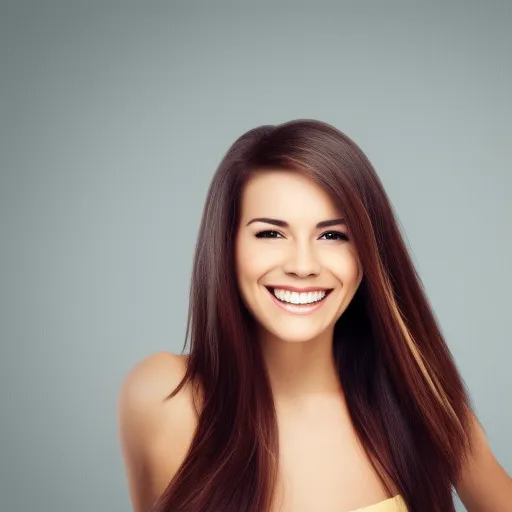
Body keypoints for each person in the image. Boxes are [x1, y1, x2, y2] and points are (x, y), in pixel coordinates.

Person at [117, 120, 511, 512]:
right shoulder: (160, 396)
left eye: (333, 235)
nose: (303, 266)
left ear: (367, 256)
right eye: (271, 233)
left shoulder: (422, 400)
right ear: (227, 247)